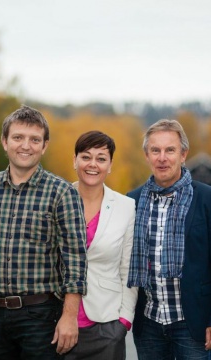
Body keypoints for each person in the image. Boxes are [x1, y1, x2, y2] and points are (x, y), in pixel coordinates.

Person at [0, 104, 88, 359]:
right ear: (4, 142)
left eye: (34, 139)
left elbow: (75, 260)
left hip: (40, 317)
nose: (25, 146)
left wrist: (70, 317)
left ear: (44, 146)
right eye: (18, 137)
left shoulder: (61, 193)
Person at [127, 119, 211, 359]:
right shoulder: (131, 202)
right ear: (147, 155)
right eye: (155, 150)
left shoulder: (209, 200)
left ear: (183, 154)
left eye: (170, 150)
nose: (162, 157)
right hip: (148, 323)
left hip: (192, 324)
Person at [65, 131, 138, 360]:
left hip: (106, 323)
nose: (92, 164)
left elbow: (128, 268)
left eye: (101, 158)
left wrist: (124, 321)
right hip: (58, 322)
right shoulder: (57, 199)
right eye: (86, 157)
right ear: (75, 160)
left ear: (110, 165)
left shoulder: (126, 207)